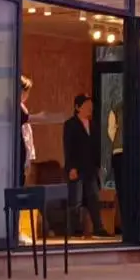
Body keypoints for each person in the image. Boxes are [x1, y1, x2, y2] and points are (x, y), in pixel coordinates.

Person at [62, 94, 103, 237]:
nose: (90, 108)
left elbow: (97, 147)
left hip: (91, 168)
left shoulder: (94, 125)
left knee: (94, 198)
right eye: (86, 105)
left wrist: (98, 165)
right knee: (75, 200)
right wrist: (71, 168)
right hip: (77, 168)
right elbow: (68, 147)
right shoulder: (70, 125)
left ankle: (98, 228)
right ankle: (74, 231)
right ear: (78, 107)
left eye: (91, 106)